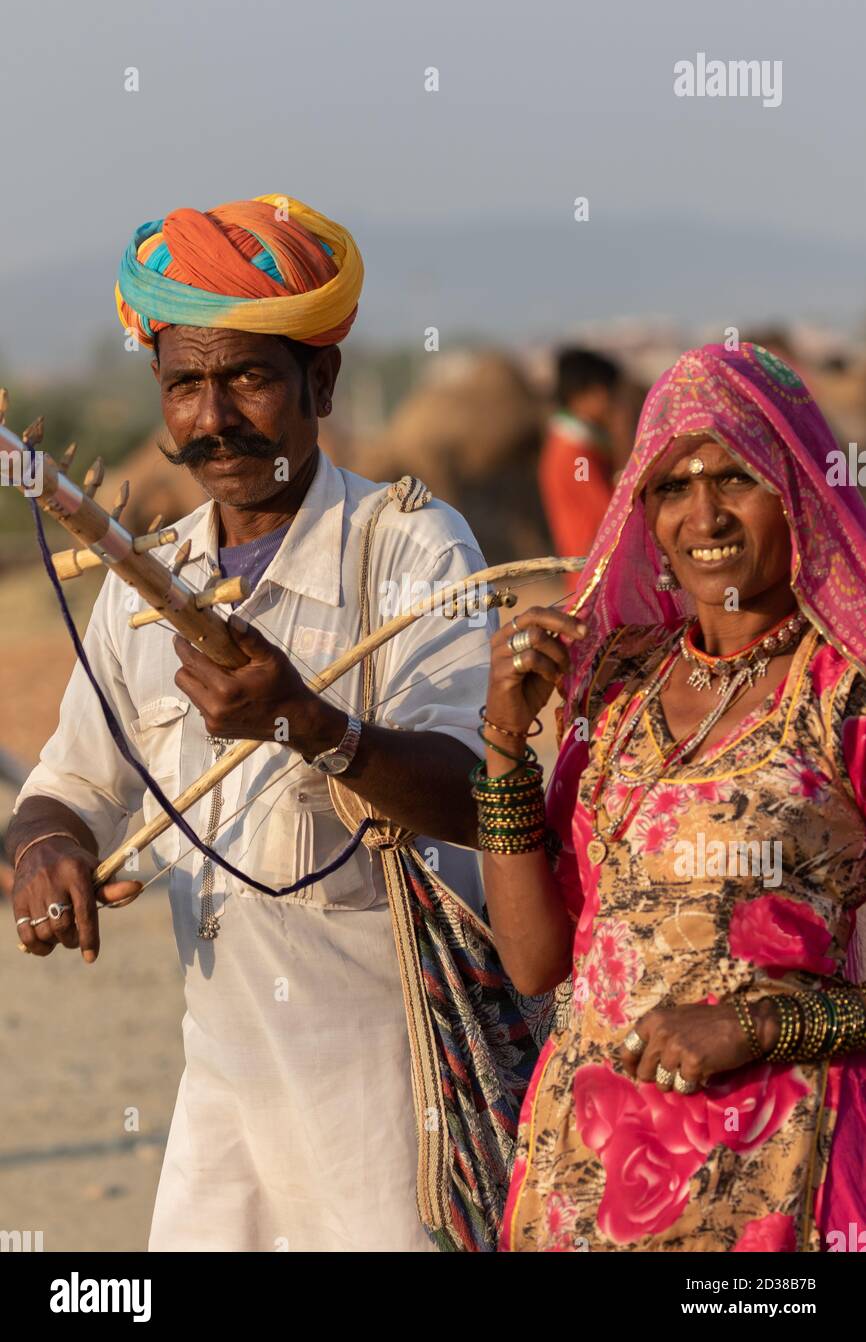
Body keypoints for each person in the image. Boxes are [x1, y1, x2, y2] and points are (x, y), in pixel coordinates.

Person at [7, 194, 495, 1252]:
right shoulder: (151, 578)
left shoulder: (412, 551)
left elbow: (473, 796)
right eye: (186, 383)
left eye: (248, 378)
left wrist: (307, 723)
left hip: (392, 1101)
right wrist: (47, 844)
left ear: (318, 382)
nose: (213, 417)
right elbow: (73, 782)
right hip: (222, 1106)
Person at [473, 341, 866, 1252]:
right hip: (585, 1175)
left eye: (736, 477)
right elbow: (536, 963)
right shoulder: (616, 679)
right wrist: (502, 747)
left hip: (777, 1185)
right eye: (669, 487)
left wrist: (755, 1024)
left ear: (799, 487)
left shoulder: (844, 691)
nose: (702, 515)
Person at [538, 348, 622, 589]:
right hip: (593, 577)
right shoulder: (575, 452)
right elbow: (612, 513)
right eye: (611, 394)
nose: (614, 403)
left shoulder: (578, 444)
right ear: (593, 392)